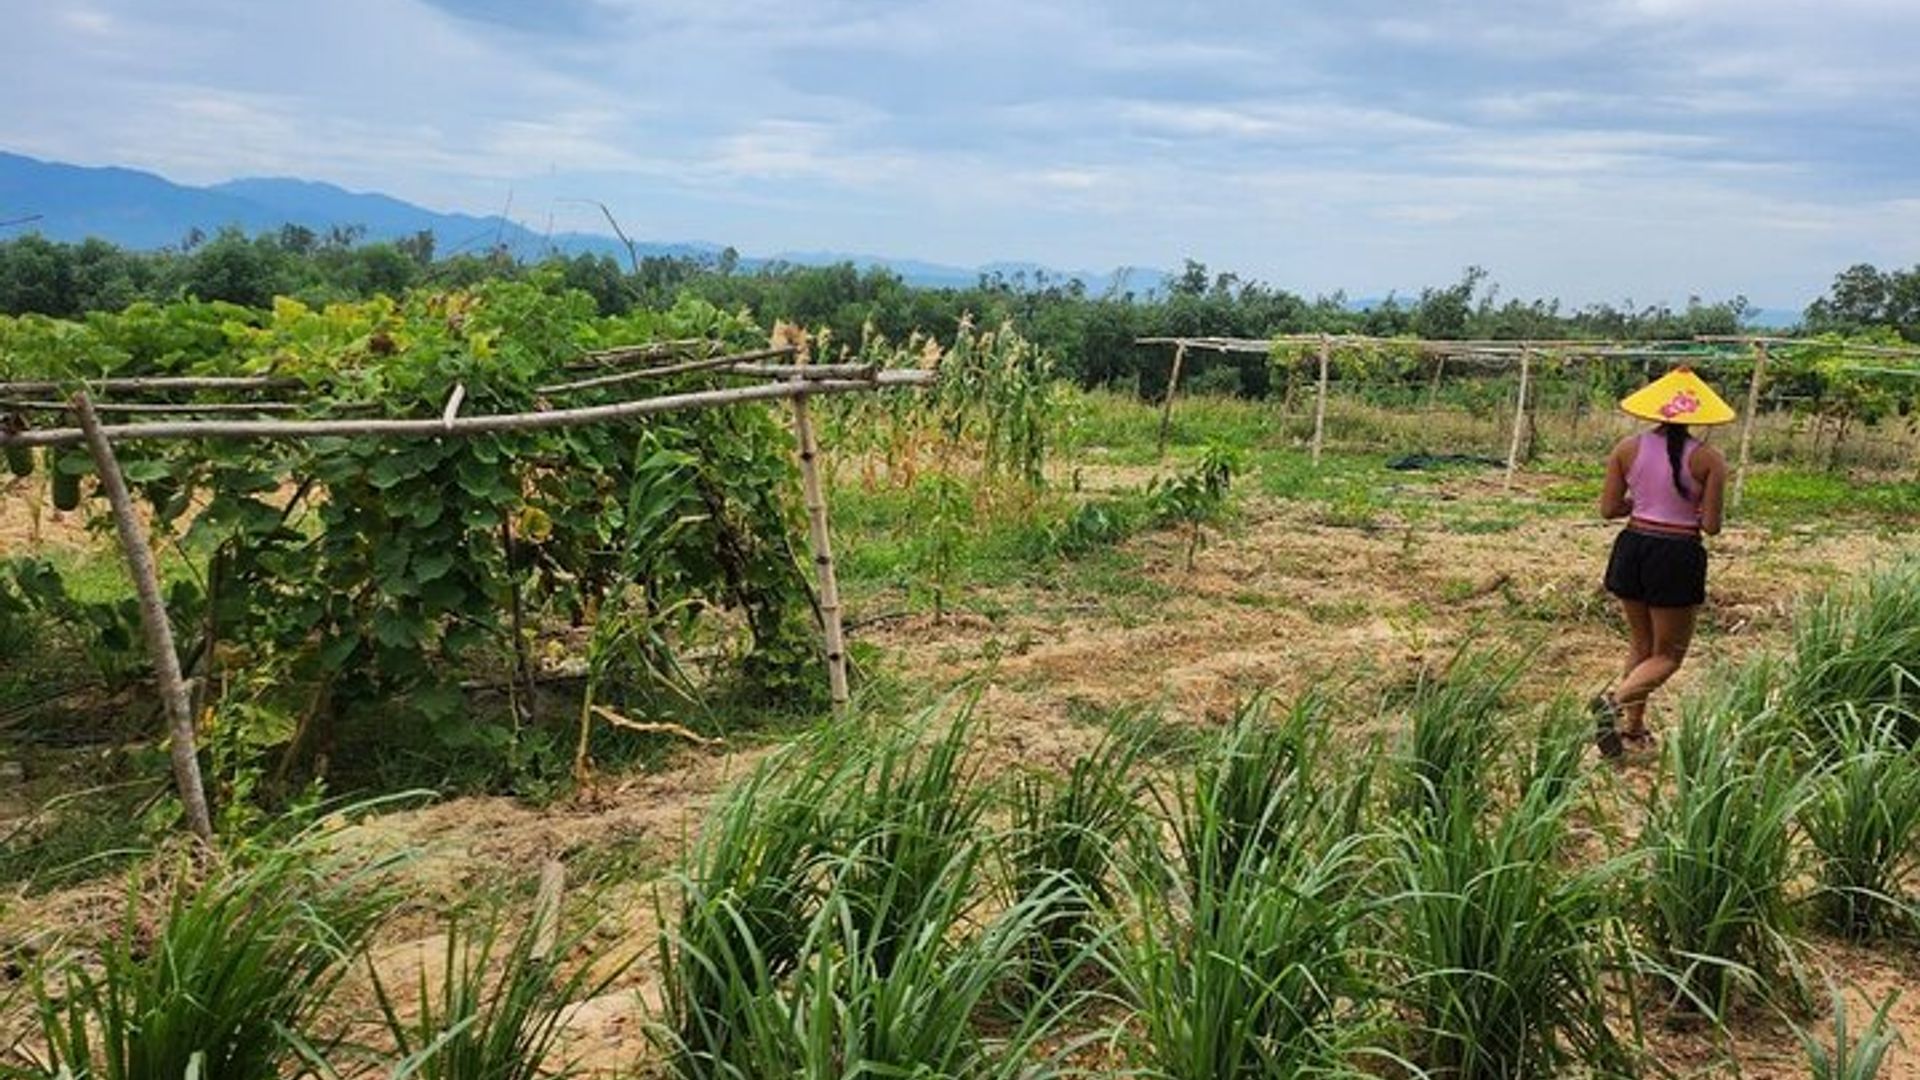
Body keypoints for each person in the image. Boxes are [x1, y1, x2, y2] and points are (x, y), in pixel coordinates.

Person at [1592, 368, 1734, 758]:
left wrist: (1640, 503)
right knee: (1668, 655)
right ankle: (1614, 704)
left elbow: (1608, 509)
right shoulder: (1709, 460)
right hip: (1675, 554)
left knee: (1641, 644)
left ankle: (1633, 731)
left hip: (1632, 546)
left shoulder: (1626, 449)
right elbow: (1712, 525)